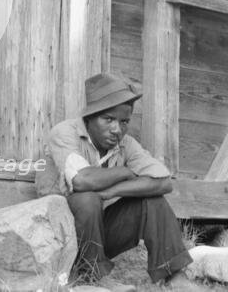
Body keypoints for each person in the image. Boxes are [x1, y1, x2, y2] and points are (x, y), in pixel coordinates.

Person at [36, 73, 193, 292]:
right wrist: (125, 171)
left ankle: (174, 273)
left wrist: (111, 192)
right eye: (108, 119)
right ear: (89, 118)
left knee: (153, 201)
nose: (117, 129)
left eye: (124, 121)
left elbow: (163, 182)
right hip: (55, 237)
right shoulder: (65, 133)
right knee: (86, 198)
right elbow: (81, 180)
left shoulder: (126, 144)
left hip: (95, 233)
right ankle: (92, 276)